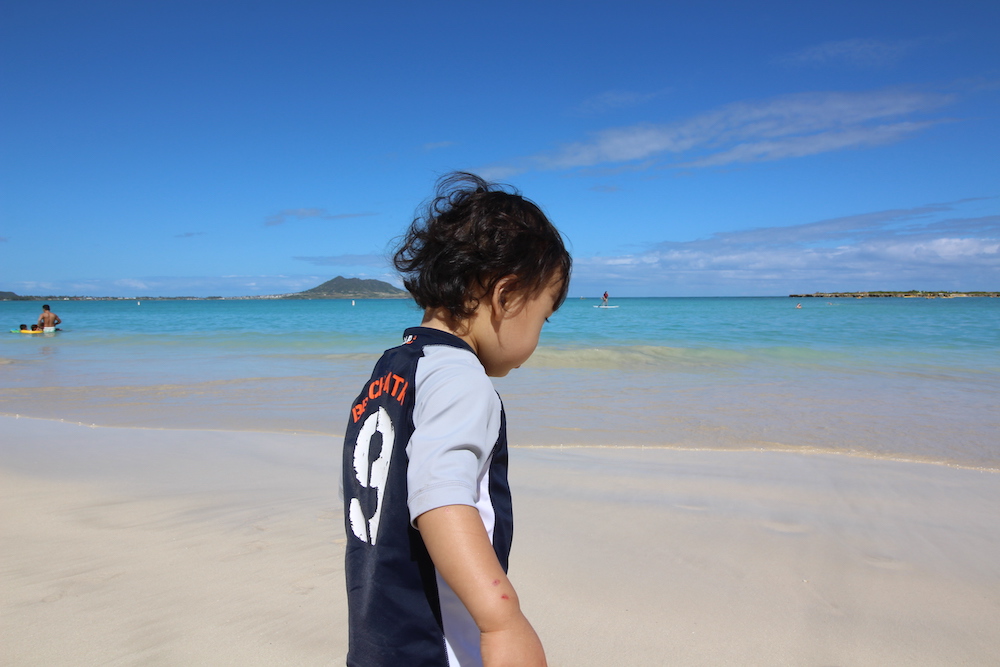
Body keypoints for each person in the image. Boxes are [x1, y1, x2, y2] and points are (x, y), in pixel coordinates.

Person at [342, 172, 571, 667]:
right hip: (434, 648)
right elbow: (441, 497)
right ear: (507, 297)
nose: (538, 336)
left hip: (379, 640)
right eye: (543, 317)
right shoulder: (461, 378)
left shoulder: (392, 370)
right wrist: (501, 618)